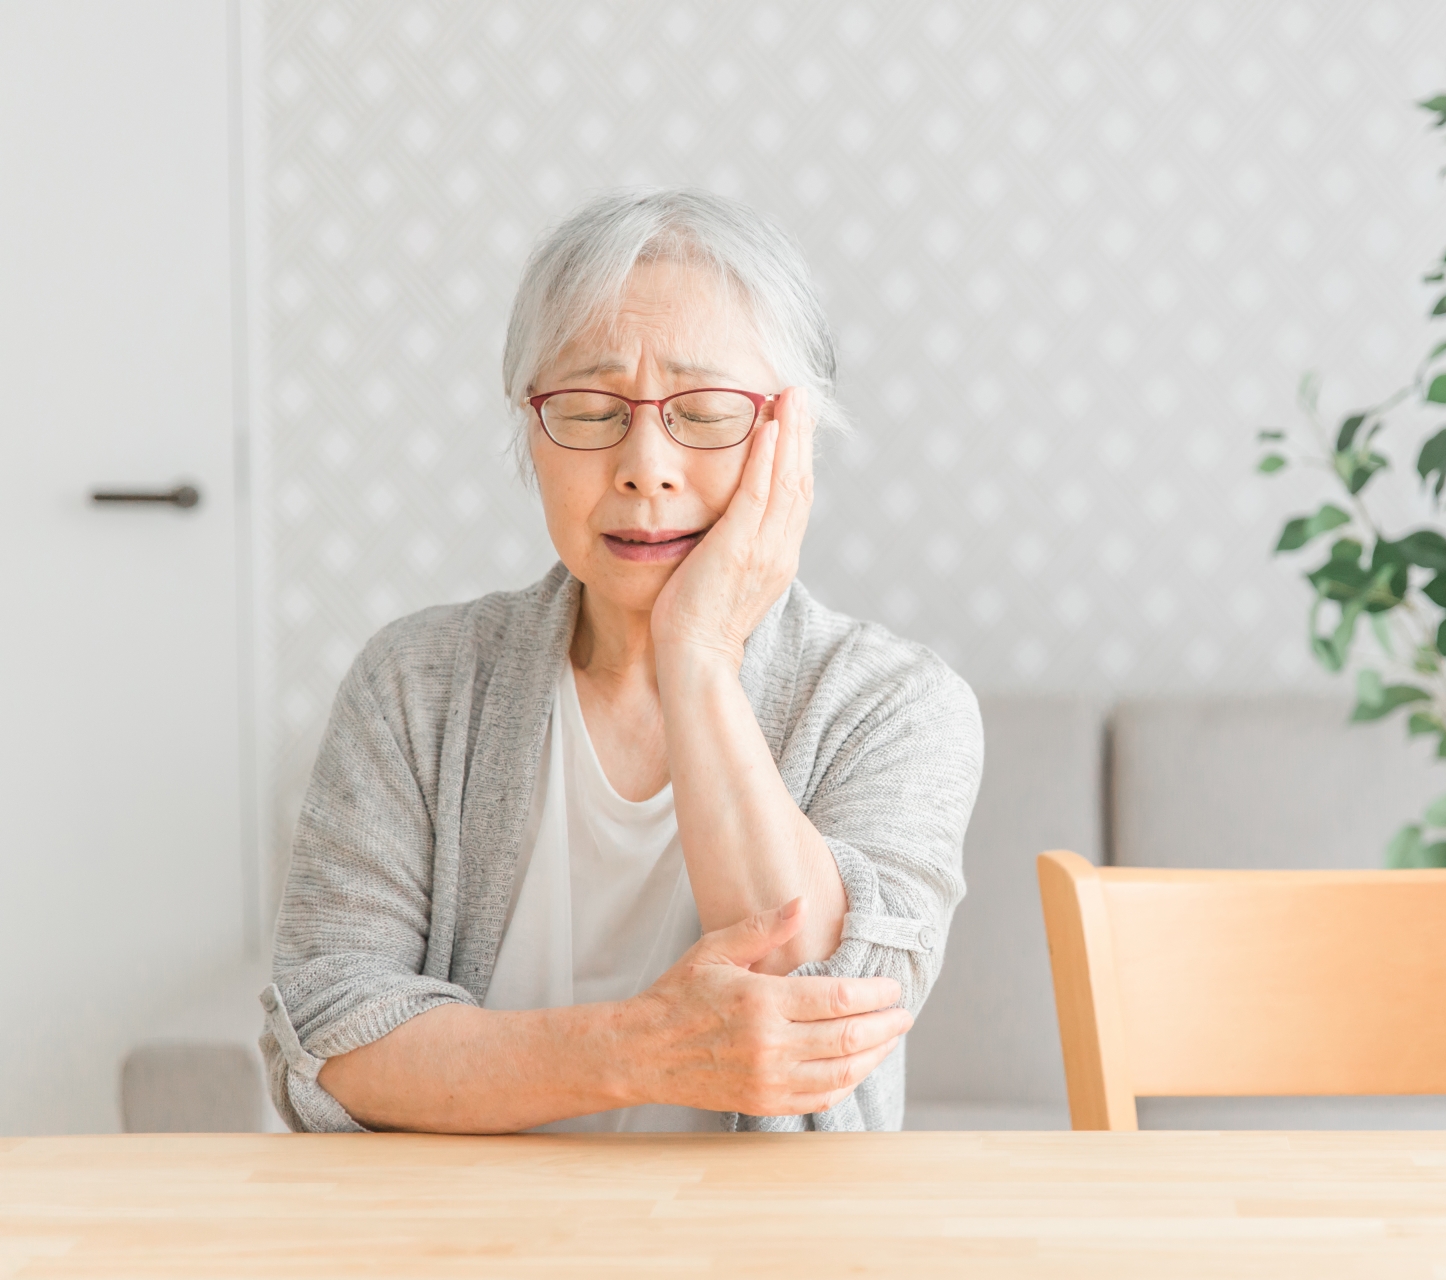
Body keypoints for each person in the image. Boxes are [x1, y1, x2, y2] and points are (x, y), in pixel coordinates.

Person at [260, 188, 982, 1134]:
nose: (646, 463)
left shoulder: (895, 704)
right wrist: (638, 1049)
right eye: (593, 408)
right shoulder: (414, 683)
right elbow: (330, 1030)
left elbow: (826, 1011)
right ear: (532, 427)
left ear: (791, 436)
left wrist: (700, 653)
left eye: (707, 410)